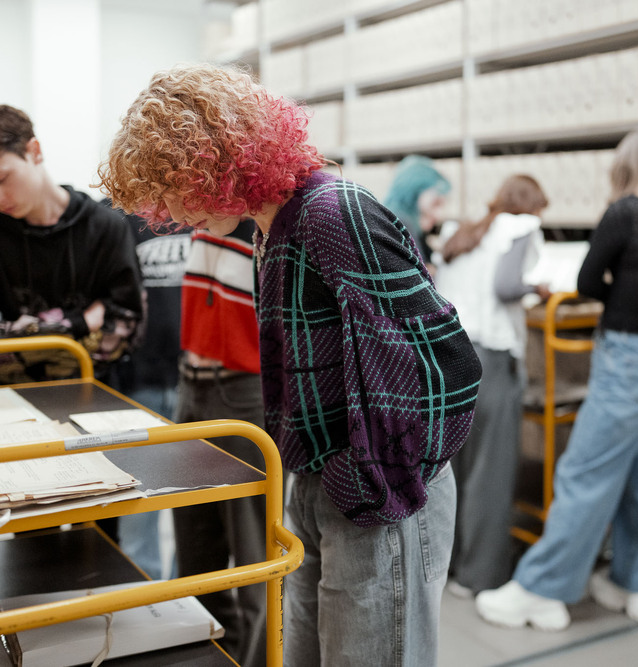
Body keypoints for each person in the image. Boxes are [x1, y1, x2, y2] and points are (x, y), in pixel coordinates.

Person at [99, 63, 482, 666]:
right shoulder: (269, 228)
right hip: (323, 484)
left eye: (175, 186)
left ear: (216, 159)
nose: (170, 212)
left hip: (379, 491)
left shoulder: (331, 213)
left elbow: (443, 364)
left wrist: (366, 481)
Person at [475, 129, 638, 631]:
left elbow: (586, 284)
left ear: (627, 165)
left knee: (584, 474)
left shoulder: (625, 213)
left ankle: (540, 591)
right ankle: (637, 586)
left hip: (628, 359)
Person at [0, 105, 143, 386]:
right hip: (16, 402)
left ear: (34, 151)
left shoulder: (106, 226)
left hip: (99, 395)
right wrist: (83, 323)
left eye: (0, 179)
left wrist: (22, 336)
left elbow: (126, 334)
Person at [433, 174, 552, 598]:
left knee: (454, 469)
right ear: (532, 206)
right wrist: (536, 287)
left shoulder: (464, 232)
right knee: (491, 471)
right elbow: (505, 287)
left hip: (449, 359)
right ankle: (480, 576)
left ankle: (445, 566)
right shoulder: (520, 228)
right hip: (491, 361)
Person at [170, 217, 269, 667]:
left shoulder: (260, 218)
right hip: (191, 383)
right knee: (194, 551)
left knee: (253, 556)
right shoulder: (201, 213)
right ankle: (212, 657)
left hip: (242, 390)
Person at [102, 199, 190, 580]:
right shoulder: (114, 215)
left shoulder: (203, 206)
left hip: (197, 382)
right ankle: (142, 611)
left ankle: (182, 603)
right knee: (138, 511)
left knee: (194, 512)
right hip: (136, 383)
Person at [382, 154, 451, 265]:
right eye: (436, 203)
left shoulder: (399, 218)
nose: (439, 215)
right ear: (415, 189)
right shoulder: (401, 223)